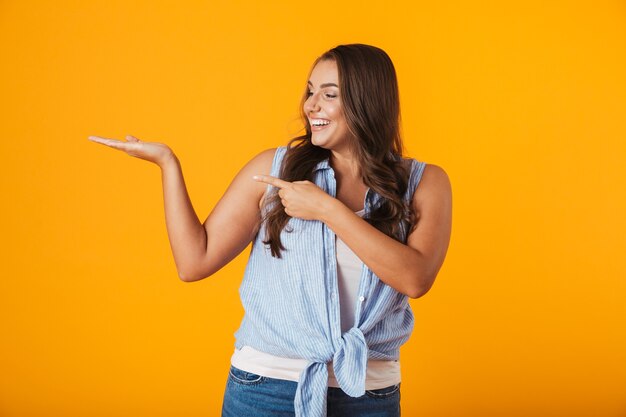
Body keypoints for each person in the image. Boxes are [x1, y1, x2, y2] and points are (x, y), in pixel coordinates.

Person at [88, 43, 452, 417]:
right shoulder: (274, 170)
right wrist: (168, 164)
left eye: (329, 95)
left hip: (368, 394)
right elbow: (193, 262)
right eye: (310, 92)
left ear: (368, 101)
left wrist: (328, 209)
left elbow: (416, 278)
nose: (311, 106)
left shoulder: (424, 183)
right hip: (266, 389)